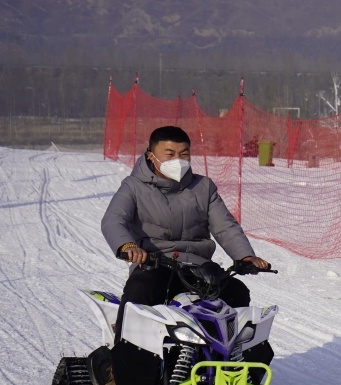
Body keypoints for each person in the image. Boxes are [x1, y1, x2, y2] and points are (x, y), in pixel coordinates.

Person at [101, 125, 271, 307]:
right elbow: (113, 220)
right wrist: (127, 246)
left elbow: (225, 227)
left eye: (184, 154)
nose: (178, 160)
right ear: (151, 155)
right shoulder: (134, 186)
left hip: (199, 268)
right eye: (170, 154)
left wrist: (245, 256)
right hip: (154, 265)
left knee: (237, 292)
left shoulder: (204, 187)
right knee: (139, 293)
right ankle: (124, 335)